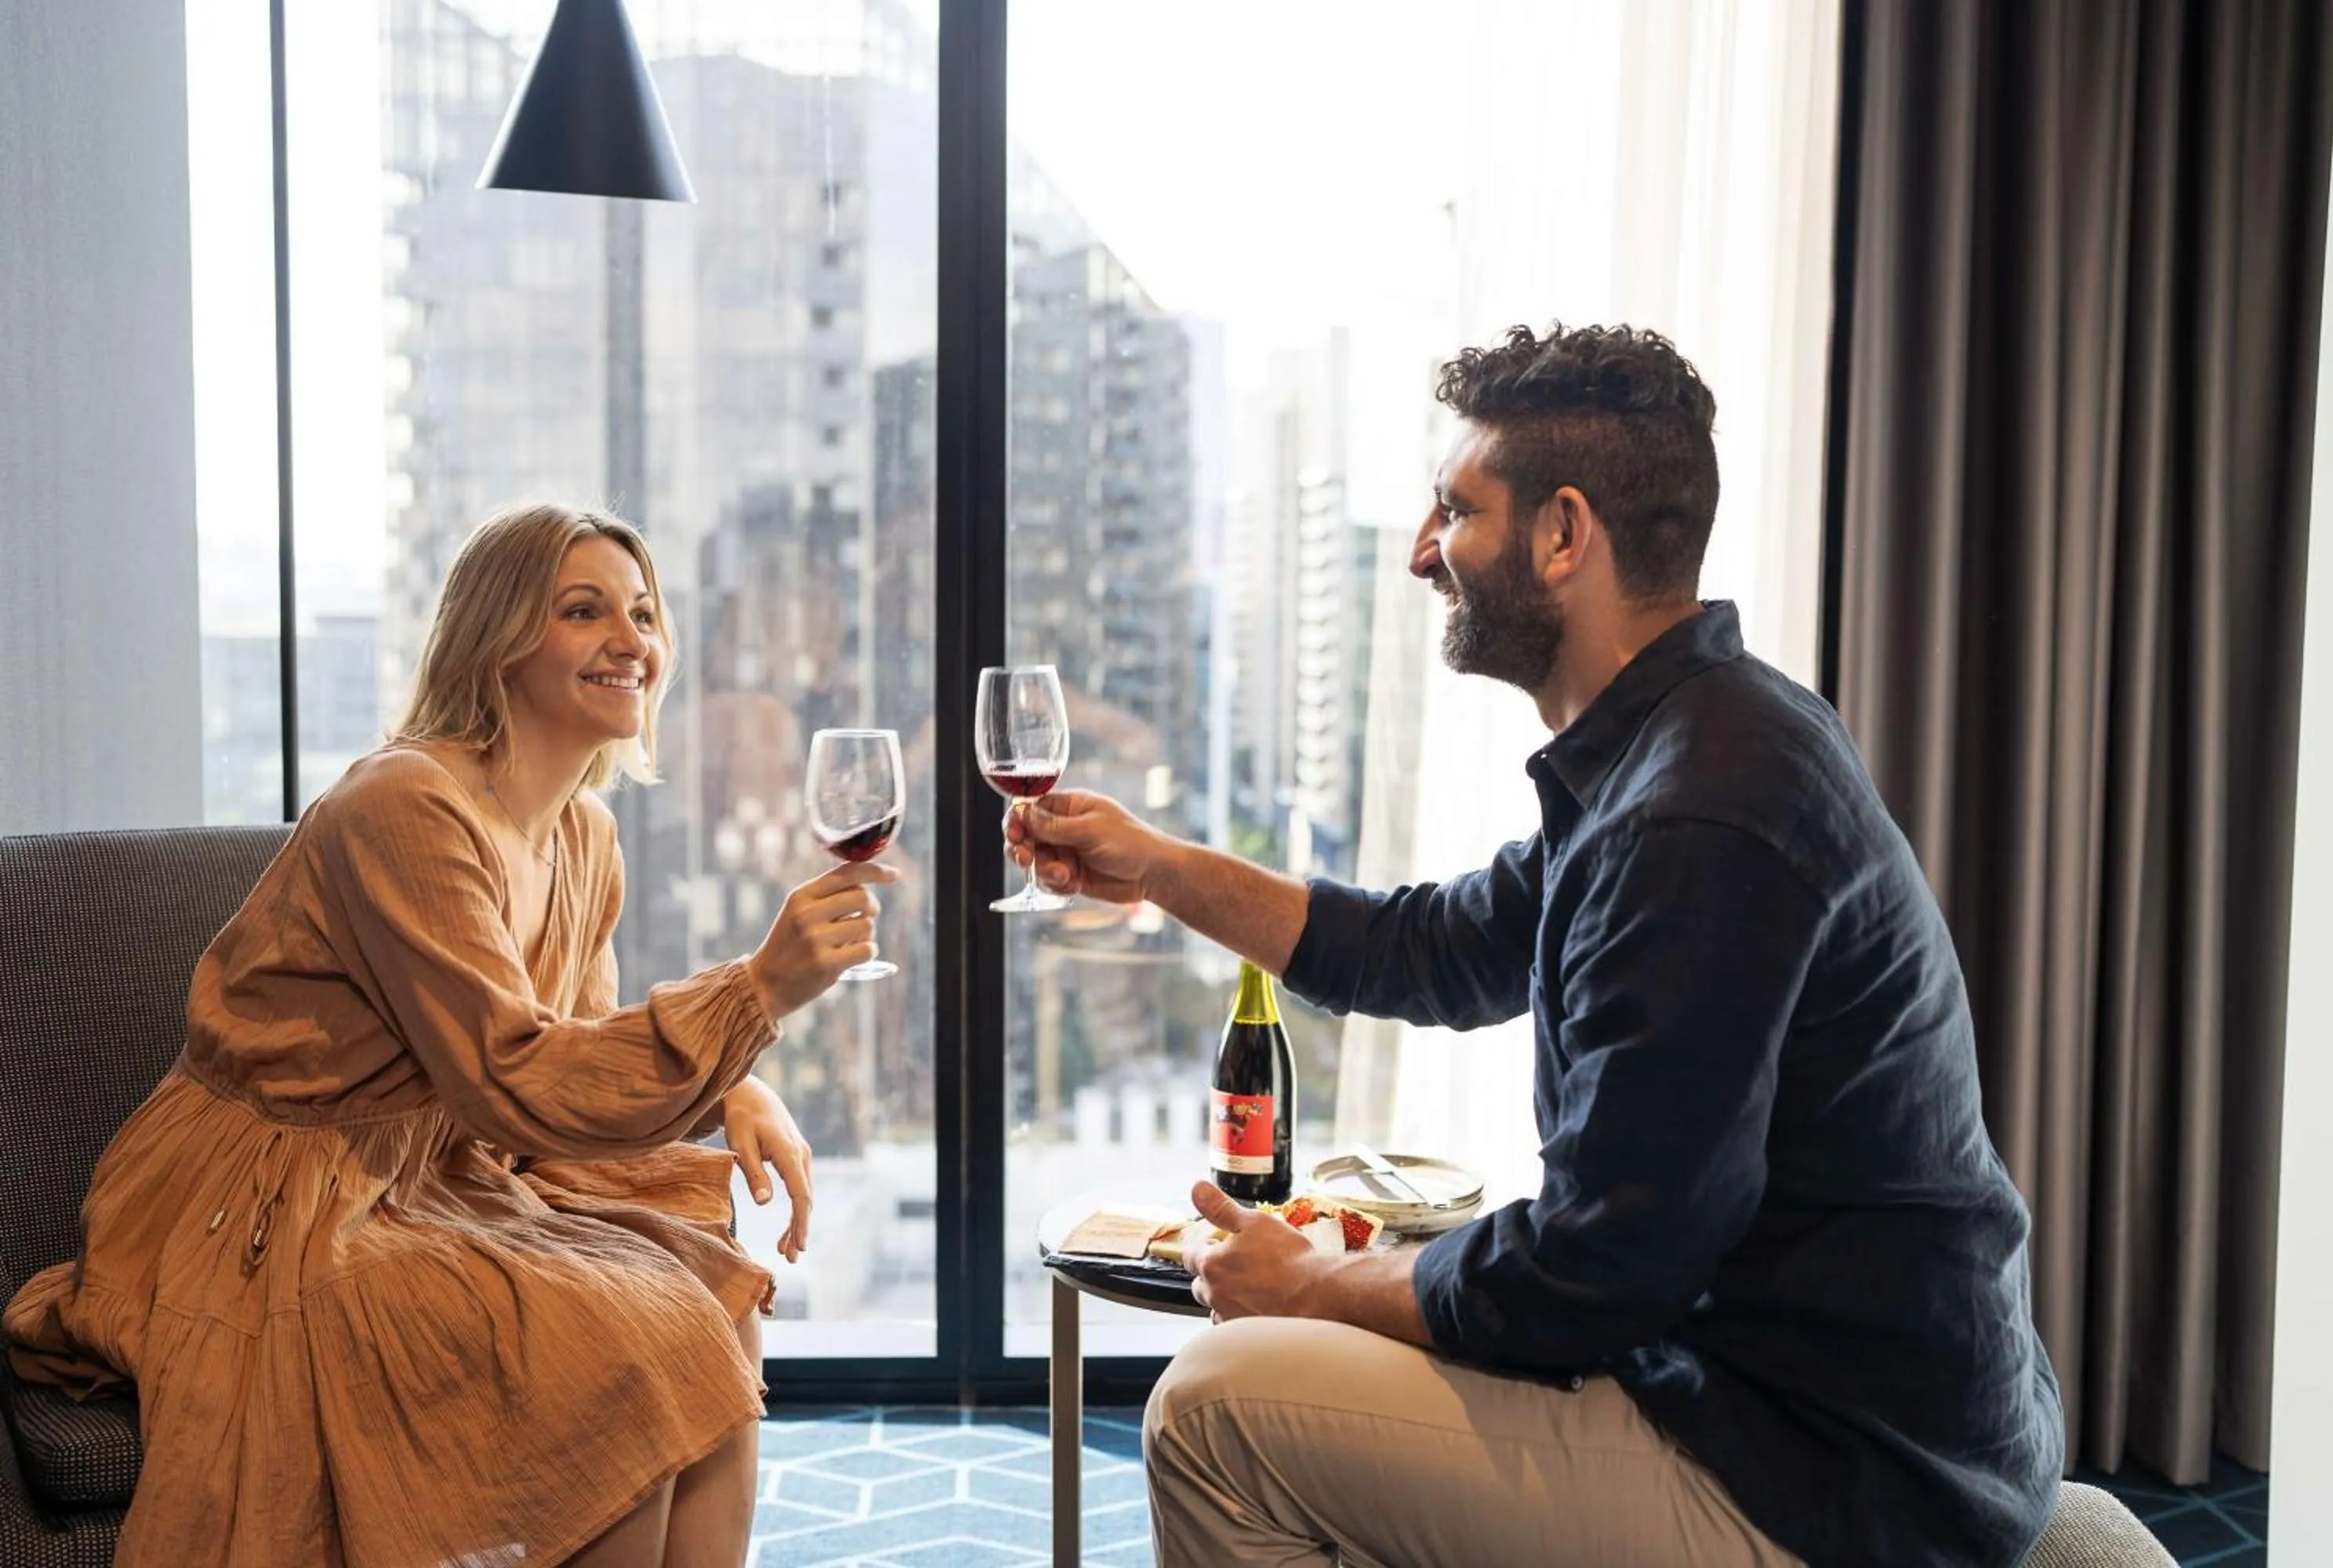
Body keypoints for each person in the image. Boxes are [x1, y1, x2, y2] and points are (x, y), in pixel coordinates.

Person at [1007, 325, 2066, 1566]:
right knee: (1353, 1310)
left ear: (1564, 534)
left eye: (1456, 510)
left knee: (1211, 1410)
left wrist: (1308, 1286)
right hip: (1788, 1391)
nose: (1422, 550)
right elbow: (1428, 950)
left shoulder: (1694, 817)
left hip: (1832, 1475)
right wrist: (1158, 866)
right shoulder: (1689, 742)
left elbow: (1593, 1273)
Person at [4, 503, 895, 1566]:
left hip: (442, 1170)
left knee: (713, 1294)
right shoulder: (404, 807)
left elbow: (574, 1037)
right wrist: (755, 992)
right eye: (584, 610)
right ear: (498, 636)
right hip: (275, 1199)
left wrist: (736, 1081)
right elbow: (512, 1074)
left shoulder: (586, 835)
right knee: (633, 1349)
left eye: (644, 613)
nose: (631, 640)